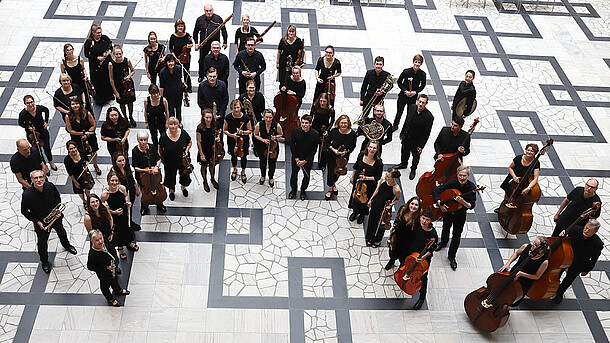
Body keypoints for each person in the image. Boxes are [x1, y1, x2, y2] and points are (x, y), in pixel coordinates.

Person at [21, 170, 78, 274]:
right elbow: (24, 211)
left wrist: (58, 211)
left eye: (40, 177)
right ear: (31, 180)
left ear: (44, 177)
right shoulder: (27, 194)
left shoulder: (50, 186)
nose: (39, 180)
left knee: (62, 232)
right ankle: (44, 261)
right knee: (42, 243)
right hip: (41, 222)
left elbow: (57, 199)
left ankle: (66, 245)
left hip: (55, 218)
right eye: (36, 178)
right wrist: (36, 221)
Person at [432, 165, 477, 270]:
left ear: (468, 175)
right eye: (460, 175)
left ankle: (452, 256)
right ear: (457, 175)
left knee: (457, 235)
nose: (462, 178)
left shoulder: (471, 187)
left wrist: (463, 202)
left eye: (464, 176)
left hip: (460, 215)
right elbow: (436, 191)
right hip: (448, 212)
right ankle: (443, 242)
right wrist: (440, 203)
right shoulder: (452, 183)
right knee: (445, 228)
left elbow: (471, 205)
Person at [554, 219, 604, 304]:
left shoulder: (598, 244)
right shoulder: (575, 229)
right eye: (586, 228)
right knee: (557, 272)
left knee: (569, 279)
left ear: (595, 232)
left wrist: (586, 269)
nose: (586, 231)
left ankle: (559, 293)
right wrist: (563, 234)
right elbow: (564, 234)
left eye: (589, 230)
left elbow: (594, 259)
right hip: (566, 256)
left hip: (579, 263)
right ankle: (553, 286)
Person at [499, 236, 550, 307]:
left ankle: (506, 308)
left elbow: (537, 276)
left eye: (535, 245)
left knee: (512, 298)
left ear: (541, 249)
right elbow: (516, 253)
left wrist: (522, 274)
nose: (532, 245)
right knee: (504, 290)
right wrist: (508, 264)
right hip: (514, 272)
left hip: (525, 282)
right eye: (533, 242)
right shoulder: (525, 246)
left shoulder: (544, 262)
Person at [393, 94, 434, 180]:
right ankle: (404, 163)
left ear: (426, 104)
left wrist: (421, 146)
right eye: (420, 101)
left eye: (423, 102)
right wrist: (402, 133)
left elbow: (426, 133)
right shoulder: (412, 108)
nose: (421, 104)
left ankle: (413, 170)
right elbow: (407, 120)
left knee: (415, 157)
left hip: (417, 141)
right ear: (417, 101)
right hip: (407, 137)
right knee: (404, 151)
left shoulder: (429, 117)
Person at [87, 229, 130, 307]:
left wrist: (116, 262)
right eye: (97, 240)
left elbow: (112, 250)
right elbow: (90, 267)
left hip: (113, 268)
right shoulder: (92, 255)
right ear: (92, 242)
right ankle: (110, 299)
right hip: (104, 273)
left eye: (101, 238)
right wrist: (105, 267)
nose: (100, 241)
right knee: (105, 286)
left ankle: (117, 290)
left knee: (115, 280)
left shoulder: (104, 240)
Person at [101, 171, 138, 260]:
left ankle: (128, 242)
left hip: (123, 212)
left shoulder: (122, 188)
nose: (114, 183)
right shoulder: (105, 194)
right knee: (118, 231)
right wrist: (113, 212)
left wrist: (127, 202)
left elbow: (125, 195)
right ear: (108, 181)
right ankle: (120, 248)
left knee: (126, 227)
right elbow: (102, 208)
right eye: (112, 181)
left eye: (116, 181)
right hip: (114, 216)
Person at [495, 144, 540, 213]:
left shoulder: (536, 163)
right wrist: (514, 177)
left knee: (520, 196)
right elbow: (510, 168)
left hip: (523, 182)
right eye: (528, 150)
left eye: (532, 151)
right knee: (508, 194)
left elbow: (535, 178)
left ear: (535, 153)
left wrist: (529, 187)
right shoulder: (519, 158)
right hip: (513, 177)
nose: (529, 152)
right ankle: (503, 207)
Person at [409, 208, 438, 310]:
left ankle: (422, 297)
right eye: (423, 218)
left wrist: (422, 258)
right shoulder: (417, 225)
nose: (424, 221)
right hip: (412, 253)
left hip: (423, 258)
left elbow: (431, 250)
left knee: (423, 277)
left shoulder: (432, 234)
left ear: (431, 221)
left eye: (427, 220)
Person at [348, 140, 384, 224]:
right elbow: (356, 166)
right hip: (358, 181)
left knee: (364, 200)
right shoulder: (361, 155)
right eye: (370, 147)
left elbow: (377, 177)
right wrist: (352, 177)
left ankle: (362, 215)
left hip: (369, 184)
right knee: (356, 196)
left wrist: (366, 178)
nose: (372, 149)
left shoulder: (378, 162)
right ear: (367, 147)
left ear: (377, 150)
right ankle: (355, 212)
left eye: (374, 148)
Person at [132, 130, 166, 215]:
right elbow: (135, 167)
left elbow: (158, 159)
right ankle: (144, 206)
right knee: (145, 191)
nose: (143, 142)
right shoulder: (135, 151)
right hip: (142, 176)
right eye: (141, 140)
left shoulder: (151, 147)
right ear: (138, 140)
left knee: (156, 187)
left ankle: (159, 203)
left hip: (154, 173)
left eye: (145, 140)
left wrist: (156, 167)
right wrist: (146, 171)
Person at [18, 95, 57, 171]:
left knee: (47, 148)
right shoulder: (23, 113)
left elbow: (46, 110)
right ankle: (44, 166)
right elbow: (21, 123)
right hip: (32, 134)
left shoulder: (39, 108)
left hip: (42, 131)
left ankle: (51, 162)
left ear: (34, 101)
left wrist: (46, 121)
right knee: (38, 151)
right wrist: (28, 127)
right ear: (25, 104)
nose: (30, 104)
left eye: (31, 102)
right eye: (28, 103)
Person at [365, 168, 402, 247]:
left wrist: (391, 204)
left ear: (393, 178)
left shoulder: (396, 189)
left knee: (381, 225)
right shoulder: (383, 180)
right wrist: (370, 200)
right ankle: (370, 237)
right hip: (376, 204)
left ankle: (377, 240)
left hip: (384, 208)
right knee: (372, 220)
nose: (385, 177)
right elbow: (377, 190)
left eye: (388, 176)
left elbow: (397, 199)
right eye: (386, 175)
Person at [65, 98, 101, 175]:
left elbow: (93, 125)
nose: (75, 106)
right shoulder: (68, 116)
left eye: (77, 103)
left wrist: (87, 133)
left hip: (89, 136)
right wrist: (81, 133)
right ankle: (85, 167)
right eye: (73, 104)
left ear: (80, 104)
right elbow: (70, 130)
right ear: (70, 106)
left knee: (93, 152)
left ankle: (96, 166)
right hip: (77, 138)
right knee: (80, 153)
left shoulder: (86, 113)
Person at [159, 117, 192, 200]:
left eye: (175, 124)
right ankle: (171, 190)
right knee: (170, 175)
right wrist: (162, 157)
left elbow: (190, 142)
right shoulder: (164, 136)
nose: (173, 126)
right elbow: (160, 147)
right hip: (169, 160)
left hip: (182, 160)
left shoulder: (183, 133)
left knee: (184, 174)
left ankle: (183, 187)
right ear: (167, 125)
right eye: (171, 124)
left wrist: (187, 151)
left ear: (178, 124)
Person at [193, 4, 228, 82]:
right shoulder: (200, 20)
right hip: (204, 44)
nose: (208, 12)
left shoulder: (218, 19)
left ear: (213, 10)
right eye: (207, 11)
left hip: (215, 44)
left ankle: (216, 75)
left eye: (210, 11)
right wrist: (196, 43)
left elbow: (224, 31)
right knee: (202, 59)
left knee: (216, 59)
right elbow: (195, 32)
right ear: (204, 11)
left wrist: (225, 41)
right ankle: (201, 75)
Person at [325, 115, 357, 200]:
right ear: (338, 123)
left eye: (345, 123)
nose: (343, 125)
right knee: (331, 171)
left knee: (338, 171)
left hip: (344, 157)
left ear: (348, 123)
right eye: (341, 123)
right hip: (332, 154)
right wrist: (333, 149)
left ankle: (334, 183)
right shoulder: (334, 131)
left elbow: (353, 146)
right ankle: (330, 188)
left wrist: (345, 152)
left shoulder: (352, 134)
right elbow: (327, 142)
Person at [385, 196, 422, 270]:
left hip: (408, 240)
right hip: (397, 235)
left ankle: (401, 267)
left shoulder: (418, 217)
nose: (413, 206)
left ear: (419, 207)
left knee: (403, 256)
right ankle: (392, 261)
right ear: (409, 203)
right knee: (393, 251)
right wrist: (394, 227)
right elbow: (397, 219)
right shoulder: (403, 209)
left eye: (416, 205)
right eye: (412, 203)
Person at [289, 115, 319, 200]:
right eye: (302, 122)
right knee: (294, 175)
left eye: (306, 123)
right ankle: (293, 190)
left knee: (306, 176)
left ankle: (303, 191)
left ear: (310, 124)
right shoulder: (296, 131)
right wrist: (296, 158)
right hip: (297, 157)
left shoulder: (315, 134)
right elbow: (292, 146)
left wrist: (305, 161)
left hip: (307, 159)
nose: (304, 125)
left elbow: (314, 150)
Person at [394, 54, 427, 131]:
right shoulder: (406, 71)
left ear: (421, 64)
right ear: (413, 62)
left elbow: (422, 85)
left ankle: (406, 128)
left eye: (419, 62)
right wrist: (405, 90)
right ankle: (395, 125)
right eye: (416, 62)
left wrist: (415, 92)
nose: (417, 64)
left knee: (410, 113)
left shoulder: (422, 74)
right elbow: (399, 82)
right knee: (399, 111)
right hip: (403, 95)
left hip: (413, 97)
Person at [223, 99, 252, 184]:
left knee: (243, 156)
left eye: (238, 107)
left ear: (241, 107)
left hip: (243, 141)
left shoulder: (246, 118)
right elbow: (225, 130)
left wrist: (242, 132)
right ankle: (234, 169)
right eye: (234, 107)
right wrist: (232, 135)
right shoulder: (228, 117)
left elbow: (250, 130)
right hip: (232, 140)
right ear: (232, 107)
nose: (236, 110)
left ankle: (243, 171)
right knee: (233, 155)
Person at [84, 24, 114, 105]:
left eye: (100, 32)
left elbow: (111, 46)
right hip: (96, 65)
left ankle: (109, 95)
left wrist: (108, 52)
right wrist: (97, 58)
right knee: (99, 82)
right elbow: (86, 54)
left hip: (106, 63)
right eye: (97, 33)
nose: (100, 34)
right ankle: (100, 99)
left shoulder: (104, 38)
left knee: (108, 79)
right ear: (93, 33)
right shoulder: (89, 42)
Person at [111, 152, 141, 231]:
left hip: (131, 191)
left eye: (123, 160)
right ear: (115, 162)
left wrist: (136, 189)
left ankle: (130, 222)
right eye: (119, 161)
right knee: (124, 210)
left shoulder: (126, 167)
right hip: (123, 194)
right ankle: (126, 226)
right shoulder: (114, 172)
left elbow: (131, 178)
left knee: (130, 208)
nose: (122, 163)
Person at [254, 109, 283, 187]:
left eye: (270, 117)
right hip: (263, 146)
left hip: (273, 146)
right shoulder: (259, 124)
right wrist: (263, 140)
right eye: (266, 117)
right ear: (263, 117)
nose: (268, 119)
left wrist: (275, 137)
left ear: (273, 117)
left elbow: (281, 134)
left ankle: (271, 177)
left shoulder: (277, 125)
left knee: (272, 163)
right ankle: (263, 176)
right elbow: (255, 134)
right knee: (262, 162)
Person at [108, 44, 136, 126]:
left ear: (122, 53)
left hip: (128, 84)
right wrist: (115, 92)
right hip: (119, 86)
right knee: (122, 103)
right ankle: (125, 118)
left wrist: (128, 77)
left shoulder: (127, 60)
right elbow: (111, 79)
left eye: (120, 54)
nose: (118, 56)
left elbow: (133, 71)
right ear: (114, 54)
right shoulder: (111, 64)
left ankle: (131, 117)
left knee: (130, 102)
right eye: (116, 54)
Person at [61, 43, 93, 110]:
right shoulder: (63, 62)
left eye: (71, 49)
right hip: (72, 83)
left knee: (86, 99)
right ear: (65, 52)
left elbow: (83, 68)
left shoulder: (79, 59)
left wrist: (86, 75)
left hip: (81, 82)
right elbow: (63, 74)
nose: (70, 52)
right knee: (75, 100)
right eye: (68, 50)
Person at [197, 108, 221, 192]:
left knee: (212, 165)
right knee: (204, 166)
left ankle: (212, 179)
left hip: (213, 149)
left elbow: (218, 134)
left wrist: (218, 138)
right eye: (207, 117)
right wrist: (201, 154)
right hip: (204, 149)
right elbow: (198, 142)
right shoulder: (200, 128)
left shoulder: (215, 125)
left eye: (210, 117)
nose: (208, 119)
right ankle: (205, 181)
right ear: (203, 117)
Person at [311, 93, 335, 170]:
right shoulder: (315, 106)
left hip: (324, 128)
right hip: (315, 128)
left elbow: (332, 121)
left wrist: (328, 130)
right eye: (321, 101)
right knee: (312, 146)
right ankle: (309, 162)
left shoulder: (330, 109)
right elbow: (311, 116)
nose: (322, 103)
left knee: (323, 147)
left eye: (324, 101)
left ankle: (321, 164)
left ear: (327, 101)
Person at [64, 140, 93, 205]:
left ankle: (88, 198)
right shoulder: (67, 159)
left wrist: (86, 164)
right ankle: (84, 201)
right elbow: (70, 172)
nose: (74, 150)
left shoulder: (82, 152)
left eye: (74, 147)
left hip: (85, 174)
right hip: (77, 177)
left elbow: (86, 160)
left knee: (88, 187)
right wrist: (75, 182)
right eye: (71, 149)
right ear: (68, 150)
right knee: (80, 191)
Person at [159, 55, 186, 121]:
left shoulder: (178, 68)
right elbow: (162, 86)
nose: (171, 63)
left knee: (178, 108)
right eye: (169, 62)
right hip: (168, 94)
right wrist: (161, 98)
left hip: (178, 92)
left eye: (172, 61)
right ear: (166, 62)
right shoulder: (162, 72)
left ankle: (179, 122)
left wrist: (183, 83)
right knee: (170, 110)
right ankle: (173, 122)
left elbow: (180, 77)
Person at [169, 19, 193, 93]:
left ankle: (188, 86)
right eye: (178, 26)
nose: (180, 28)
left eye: (181, 26)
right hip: (176, 57)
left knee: (187, 71)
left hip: (186, 56)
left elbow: (191, 44)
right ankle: (178, 86)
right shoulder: (173, 36)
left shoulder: (187, 35)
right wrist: (175, 58)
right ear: (176, 27)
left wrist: (189, 46)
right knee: (177, 72)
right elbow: (171, 48)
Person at [144, 84, 169, 148]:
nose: (156, 95)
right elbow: (146, 111)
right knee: (154, 135)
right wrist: (146, 122)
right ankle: (155, 147)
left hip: (161, 119)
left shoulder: (163, 100)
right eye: (154, 94)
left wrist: (167, 122)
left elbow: (167, 112)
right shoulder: (147, 100)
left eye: (157, 93)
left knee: (163, 134)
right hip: (151, 120)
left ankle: (162, 146)